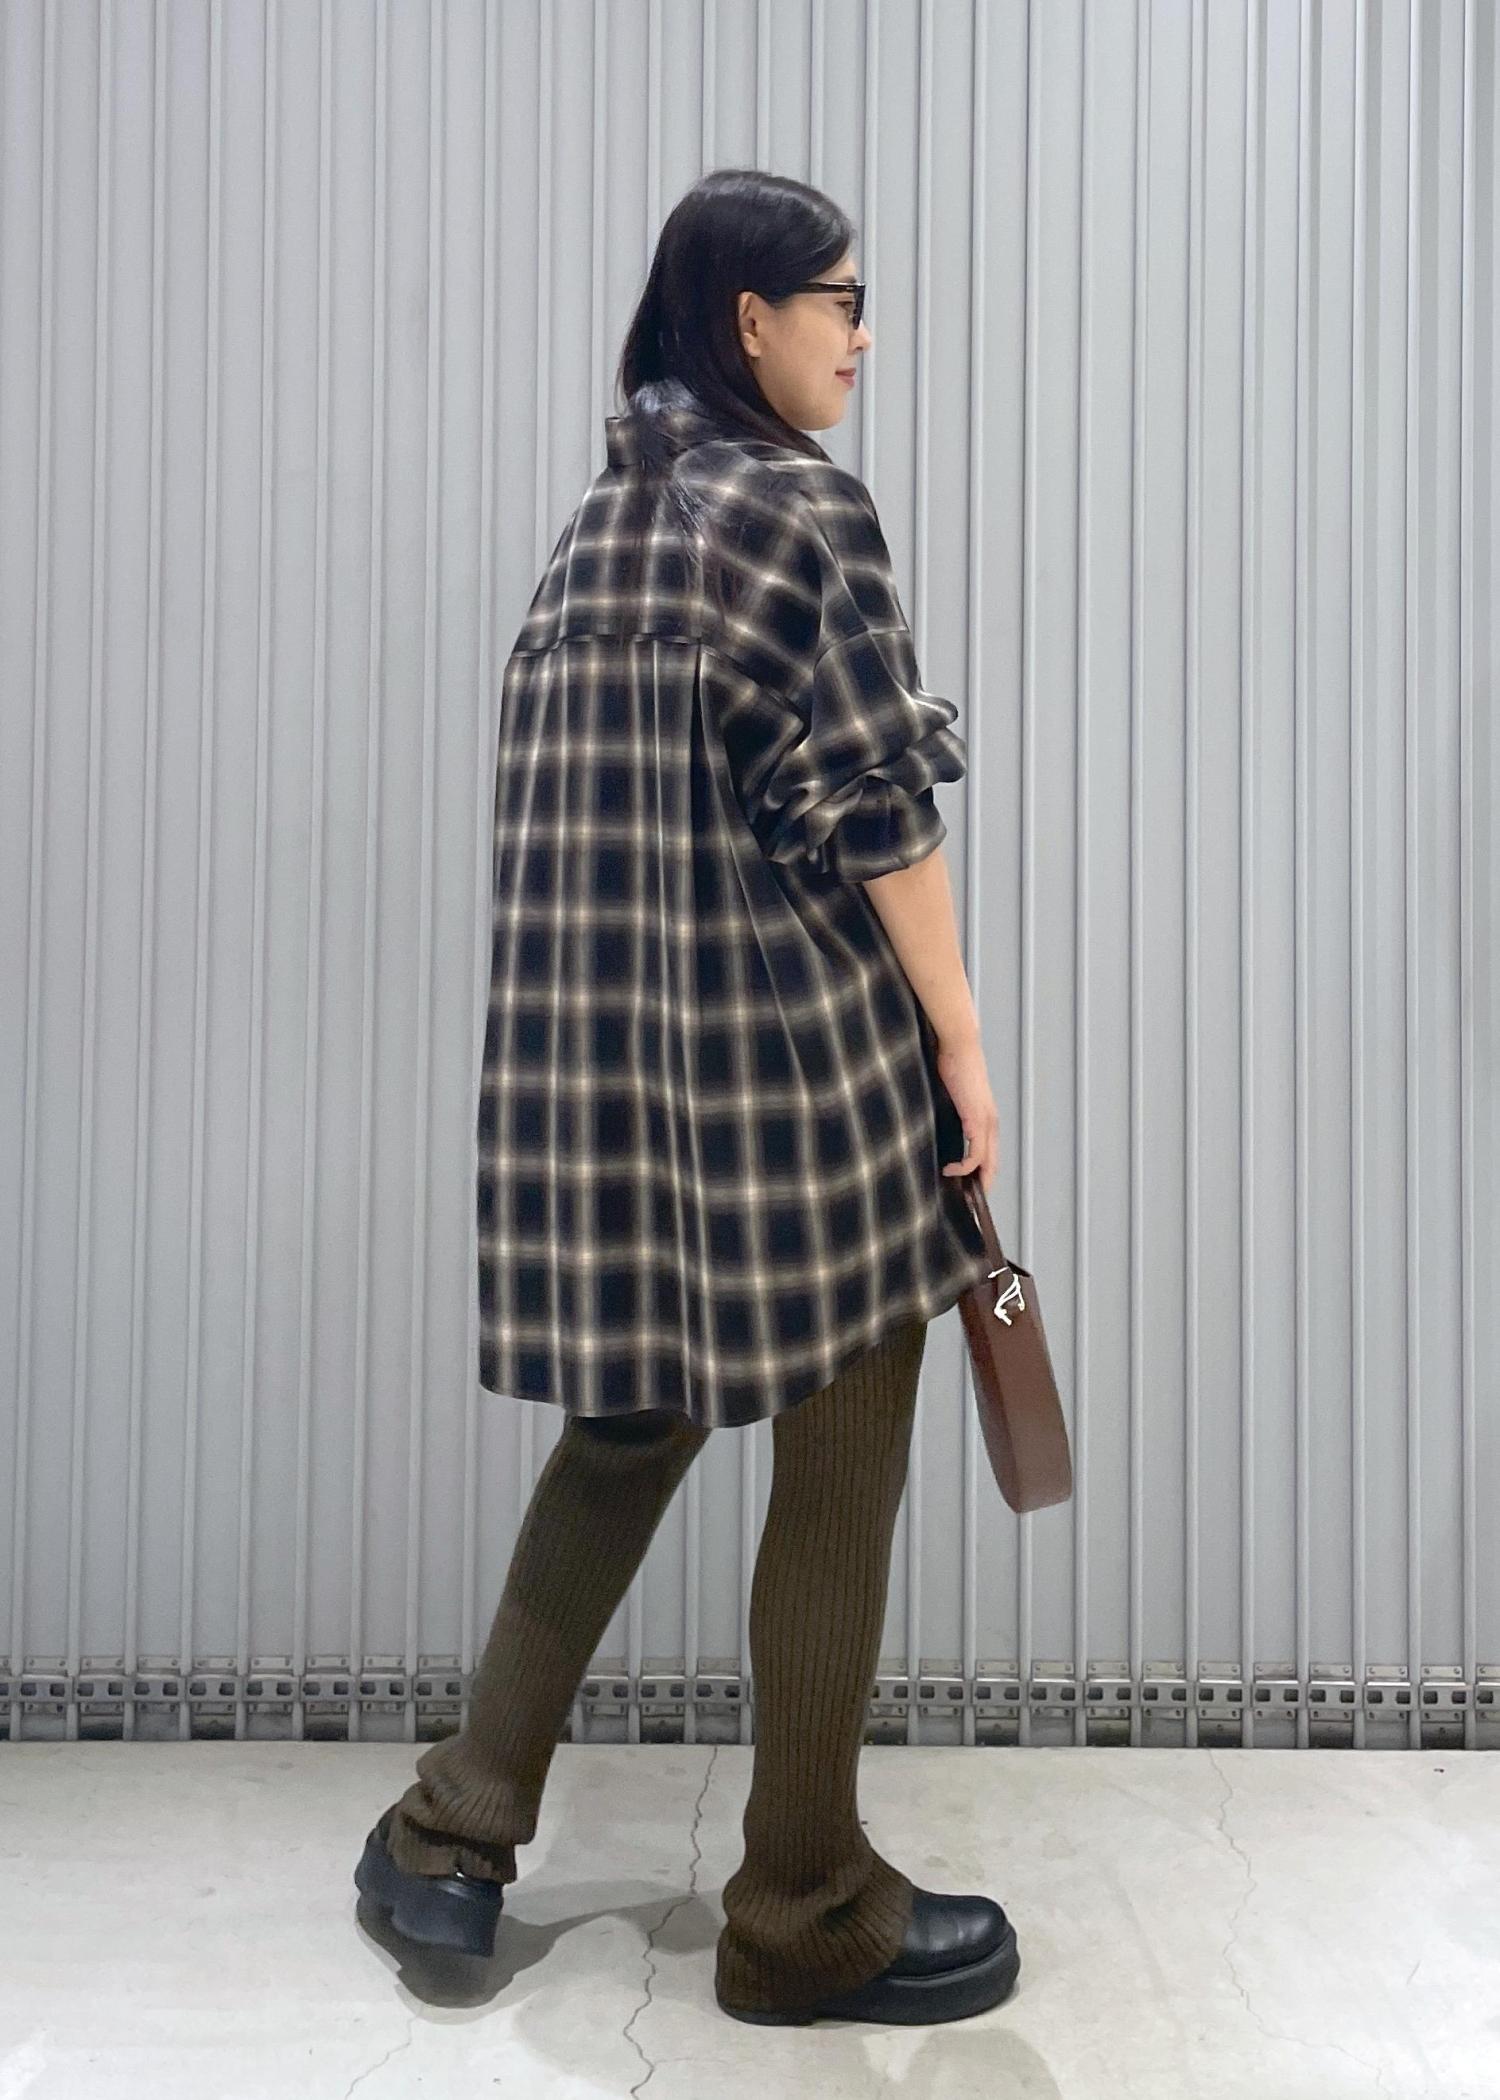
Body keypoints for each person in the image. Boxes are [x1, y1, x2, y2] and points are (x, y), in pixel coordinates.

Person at [353, 167, 1017, 2027]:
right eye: (842, 302)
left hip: (615, 1092)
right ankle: (803, 1911)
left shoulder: (594, 537)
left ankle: (449, 1839)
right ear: (752, 319)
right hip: (797, 1083)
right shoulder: (800, 510)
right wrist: (963, 1046)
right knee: (846, 1430)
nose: (862, 336)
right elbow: (876, 809)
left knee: (627, 1425)